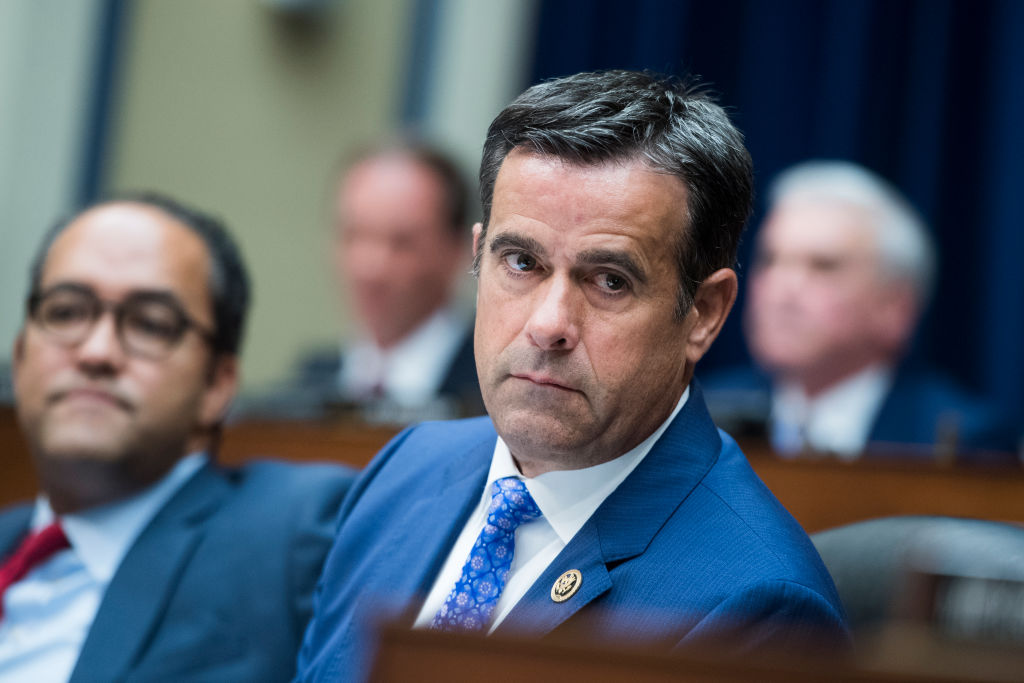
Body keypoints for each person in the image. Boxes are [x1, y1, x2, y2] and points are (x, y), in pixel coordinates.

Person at [296, 70, 848, 682]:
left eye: (610, 280)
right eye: (522, 263)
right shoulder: (405, 470)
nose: (548, 324)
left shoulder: (757, 611)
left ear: (704, 314)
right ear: (477, 257)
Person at [0, 194, 354, 682]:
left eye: (150, 324)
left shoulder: (296, 533)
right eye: (65, 313)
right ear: (20, 357)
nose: (96, 352)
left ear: (217, 384)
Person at [702, 161, 1018, 459]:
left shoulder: (966, 443)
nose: (782, 289)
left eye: (824, 266)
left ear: (895, 308)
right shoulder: (697, 415)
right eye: (769, 260)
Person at [289, 142, 483, 421]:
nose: (370, 267)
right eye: (353, 235)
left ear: (460, 250)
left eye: (402, 243)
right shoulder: (305, 388)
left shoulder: (490, 399)